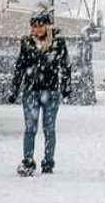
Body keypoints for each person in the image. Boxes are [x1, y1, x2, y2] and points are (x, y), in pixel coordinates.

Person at [9, 10, 72, 176]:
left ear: (47, 26)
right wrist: (15, 88)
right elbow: (20, 66)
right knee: (30, 127)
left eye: (40, 26)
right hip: (31, 91)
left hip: (51, 91)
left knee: (49, 128)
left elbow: (65, 66)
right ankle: (28, 161)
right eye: (33, 26)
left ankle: (48, 161)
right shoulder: (27, 43)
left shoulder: (58, 43)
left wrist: (66, 87)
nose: (36, 29)